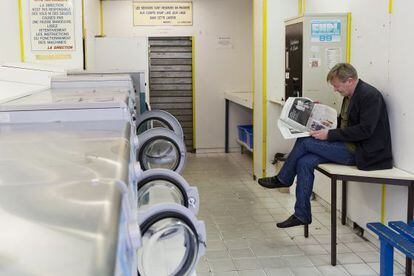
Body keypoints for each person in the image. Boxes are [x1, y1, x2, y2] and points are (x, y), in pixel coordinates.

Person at [258, 63, 393, 228]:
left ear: (349, 80)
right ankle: (302, 214)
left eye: (337, 86)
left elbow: (364, 130)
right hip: (349, 145)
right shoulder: (351, 95)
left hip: (363, 153)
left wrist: (329, 134)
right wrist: (319, 113)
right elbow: (345, 123)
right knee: (304, 162)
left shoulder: (369, 96)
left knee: (305, 141)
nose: (336, 90)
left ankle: (284, 178)